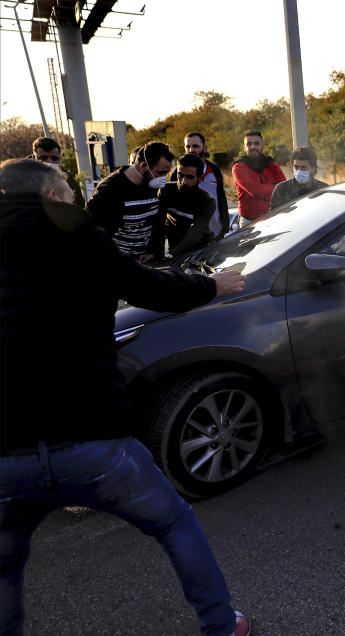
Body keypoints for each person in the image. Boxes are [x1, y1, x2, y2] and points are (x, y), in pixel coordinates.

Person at [0, 158, 251, 636]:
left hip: (4, 449)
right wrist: (212, 285)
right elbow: (151, 289)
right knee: (175, 526)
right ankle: (221, 626)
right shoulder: (77, 235)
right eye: (70, 194)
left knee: (5, 569)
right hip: (91, 436)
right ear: (52, 195)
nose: (75, 202)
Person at [86, 140, 173, 263]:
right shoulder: (108, 190)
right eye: (160, 172)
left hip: (144, 264)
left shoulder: (156, 188)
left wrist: (154, 252)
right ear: (143, 166)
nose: (163, 178)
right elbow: (91, 234)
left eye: (166, 173)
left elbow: (158, 224)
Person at [171, 132, 231, 239]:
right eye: (187, 146)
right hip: (189, 238)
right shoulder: (177, 172)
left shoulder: (215, 169)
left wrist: (225, 226)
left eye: (195, 146)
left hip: (215, 234)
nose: (191, 150)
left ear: (205, 148)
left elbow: (221, 198)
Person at [161, 154, 217, 257]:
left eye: (190, 177)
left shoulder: (207, 201)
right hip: (174, 250)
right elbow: (157, 224)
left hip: (203, 251)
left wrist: (170, 255)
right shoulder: (165, 191)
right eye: (180, 175)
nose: (183, 181)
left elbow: (195, 234)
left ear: (200, 179)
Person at [231, 129, 285, 226]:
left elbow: (283, 187)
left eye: (256, 143)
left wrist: (272, 188)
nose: (253, 147)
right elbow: (255, 191)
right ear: (244, 147)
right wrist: (274, 187)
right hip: (249, 222)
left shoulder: (271, 164)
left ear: (262, 146)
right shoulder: (238, 167)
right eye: (249, 144)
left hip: (272, 218)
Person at [269, 146, 329, 210]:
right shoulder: (281, 189)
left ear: (313, 169)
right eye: (296, 167)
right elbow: (273, 216)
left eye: (303, 167)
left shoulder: (323, 190)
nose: (299, 171)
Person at [31, 136, 85, 206]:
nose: (49, 162)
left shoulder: (70, 182)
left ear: (60, 159)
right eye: (43, 158)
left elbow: (80, 210)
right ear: (33, 158)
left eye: (54, 158)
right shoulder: (21, 181)